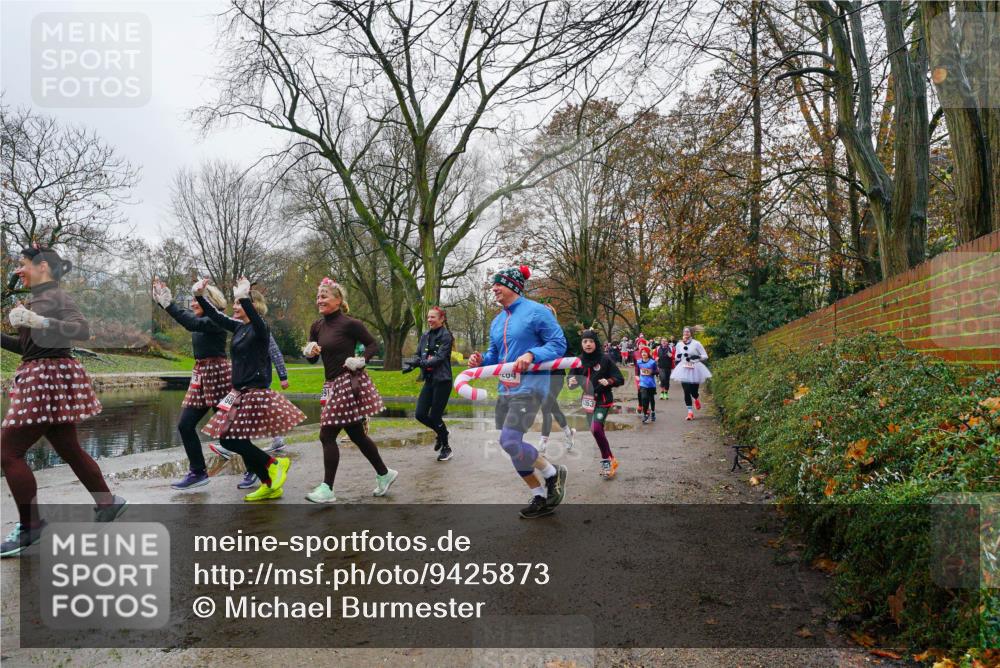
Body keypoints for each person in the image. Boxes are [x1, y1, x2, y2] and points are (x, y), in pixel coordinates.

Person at [1, 245, 127, 557]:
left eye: (23, 264)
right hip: (47, 377)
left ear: (42, 266)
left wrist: (37, 320)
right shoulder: (40, 299)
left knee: (7, 452)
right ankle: (107, 503)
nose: (18, 271)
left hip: (45, 382)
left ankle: (31, 527)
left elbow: (83, 331)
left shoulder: (55, 296)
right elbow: (30, 349)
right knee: (68, 448)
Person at [467, 265, 568, 519]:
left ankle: (552, 473)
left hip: (531, 386)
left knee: (509, 441)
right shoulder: (497, 320)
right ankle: (539, 496)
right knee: (513, 445)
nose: (493, 289)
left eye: (498, 285)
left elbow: (558, 344)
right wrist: (480, 361)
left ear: (512, 286)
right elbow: (495, 356)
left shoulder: (537, 312)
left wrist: (532, 354)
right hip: (506, 388)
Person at [195, 277, 302, 501]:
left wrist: (244, 298)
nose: (235, 307)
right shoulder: (239, 328)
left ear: (251, 307)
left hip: (255, 392)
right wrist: (199, 296)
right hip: (240, 392)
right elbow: (216, 316)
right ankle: (270, 482)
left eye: (238, 303)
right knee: (231, 438)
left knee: (230, 438)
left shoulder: (261, 328)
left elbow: (256, 320)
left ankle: (273, 465)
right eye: (234, 303)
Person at [302, 278, 396, 503]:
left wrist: (361, 360)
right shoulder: (316, 326)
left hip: (347, 381)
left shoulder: (350, 324)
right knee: (356, 434)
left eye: (324, 296)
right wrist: (310, 352)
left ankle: (327, 489)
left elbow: (373, 344)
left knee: (327, 434)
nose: (319, 300)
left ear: (338, 300)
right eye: (318, 297)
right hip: (330, 384)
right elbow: (313, 360)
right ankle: (384, 474)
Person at [152, 279, 232, 490]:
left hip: (218, 374)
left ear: (211, 302)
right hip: (200, 375)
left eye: (198, 301)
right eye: (194, 302)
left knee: (229, 430)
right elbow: (189, 320)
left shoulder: (217, 320)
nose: (194, 305)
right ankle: (198, 472)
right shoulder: (200, 318)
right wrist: (162, 302)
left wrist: (168, 304)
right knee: (185, 425)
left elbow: (191, 323)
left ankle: (256, 467)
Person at [567, 329, 623, 479]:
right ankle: (611, 459)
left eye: (591, 341)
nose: (588, 344)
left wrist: (609, 381)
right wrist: (571, 381)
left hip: (602, 401)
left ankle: (606, 462)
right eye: (585, 341)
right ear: (581, 344)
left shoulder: (605, 359)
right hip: (588, 402)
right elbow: (571, 380)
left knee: (596, 428)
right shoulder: (578, 361)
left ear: (595, 343)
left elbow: (619, 378)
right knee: (596, 431)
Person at [411, 305, 455, 462]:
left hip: (443, 381)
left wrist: (419, 363)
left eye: (433, 317)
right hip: (429, 380)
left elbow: (439, 359)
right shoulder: (425, 335)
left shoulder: (446, 336)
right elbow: (417, 354)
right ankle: (442, 433)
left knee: (435, 416)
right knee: (420, 414)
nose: (429, 320)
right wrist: (412, 362)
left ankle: (446, 448)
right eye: (428, 317)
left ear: (442, 319)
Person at [537, 304, 575, 453]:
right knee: (553, 407)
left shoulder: (560, 333)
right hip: (541, 376)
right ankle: (568, 433)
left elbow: (571, 354)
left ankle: (543, 442)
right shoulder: (536, 334)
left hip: (556, 375)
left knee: (546, 406)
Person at [671, 327, 712, 421]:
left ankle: (696, 398)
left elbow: (705, 356)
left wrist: (697, 356)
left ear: (691, 333)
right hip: (684, 368)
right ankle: (690, 412)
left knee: (693, 391)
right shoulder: (679, 344)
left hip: (695, 368)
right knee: (686, 390)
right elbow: (676, 357)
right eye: (684, 331)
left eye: (687, 331)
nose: (686, 333)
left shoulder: (696, 343)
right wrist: (678, 356)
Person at [635, 346, 658, 423]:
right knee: (644, 398)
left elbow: (657, 371)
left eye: (645, 352)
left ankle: (653, 412)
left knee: (651, 399)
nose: (643, 353)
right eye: (642, 352)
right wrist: (637, 377)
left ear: (648, 353)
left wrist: (651, 372)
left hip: (651, 384)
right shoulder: (638, 362)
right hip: (642, 383)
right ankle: (645, 414)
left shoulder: (652, 362)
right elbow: (637, 372)